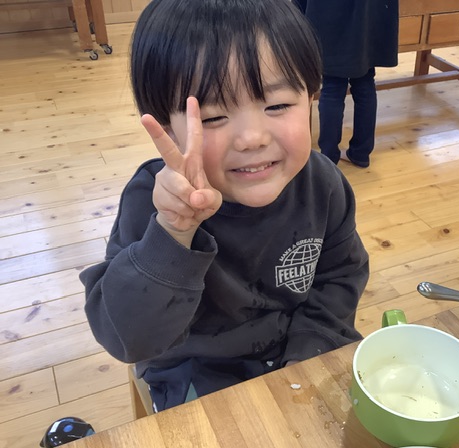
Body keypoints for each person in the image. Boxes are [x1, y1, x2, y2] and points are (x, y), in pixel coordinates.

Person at [79, 0, 369, 412]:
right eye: (213, 117)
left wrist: (309, 352)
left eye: (277, 105)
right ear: (167, 128)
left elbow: (340, 275)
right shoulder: (154, 203)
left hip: (300, 348)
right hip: (195, 370)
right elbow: (126, 338)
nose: (252, 138)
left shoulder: (323, 184)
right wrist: (174, 232)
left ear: (312, 98)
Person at [296, 0, 399, 168]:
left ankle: (328, 157)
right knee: (365, 82)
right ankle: (361, 153)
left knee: (332, 86)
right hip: (368, 16)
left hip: (329, 15)